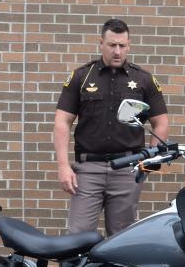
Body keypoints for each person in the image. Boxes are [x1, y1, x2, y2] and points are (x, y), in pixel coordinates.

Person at [54, 19, 169, 236]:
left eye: (122, 46)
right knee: (76, 237)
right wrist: (63, 166)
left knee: (121, 238)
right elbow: (62, 121)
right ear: (101, 43)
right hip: (88, 170)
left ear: (129, 45)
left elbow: (161, 123)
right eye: (112, 45)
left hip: (128, 169)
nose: (117, 51)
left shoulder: (144, 80)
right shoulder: (82, 76)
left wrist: (149, 164)